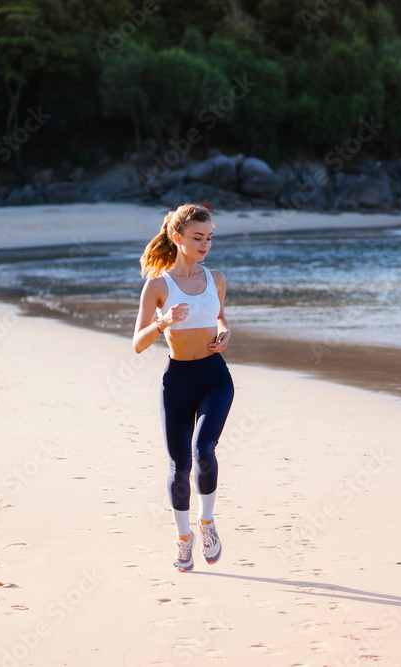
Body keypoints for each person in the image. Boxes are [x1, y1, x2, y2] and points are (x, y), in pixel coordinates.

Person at [132, 203, 234, 572]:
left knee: (204, 449)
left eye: (209, 237)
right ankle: (183, 538)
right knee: (180, 465)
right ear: (178, 238)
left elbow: (219, 315)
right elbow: (138, 344)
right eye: (197, 237)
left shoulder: (216, 278)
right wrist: (162, 324)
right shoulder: (158, 286)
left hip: (214, 376)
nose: (205, 244)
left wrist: (224, 330)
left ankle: (206, 522)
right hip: (177, 380)